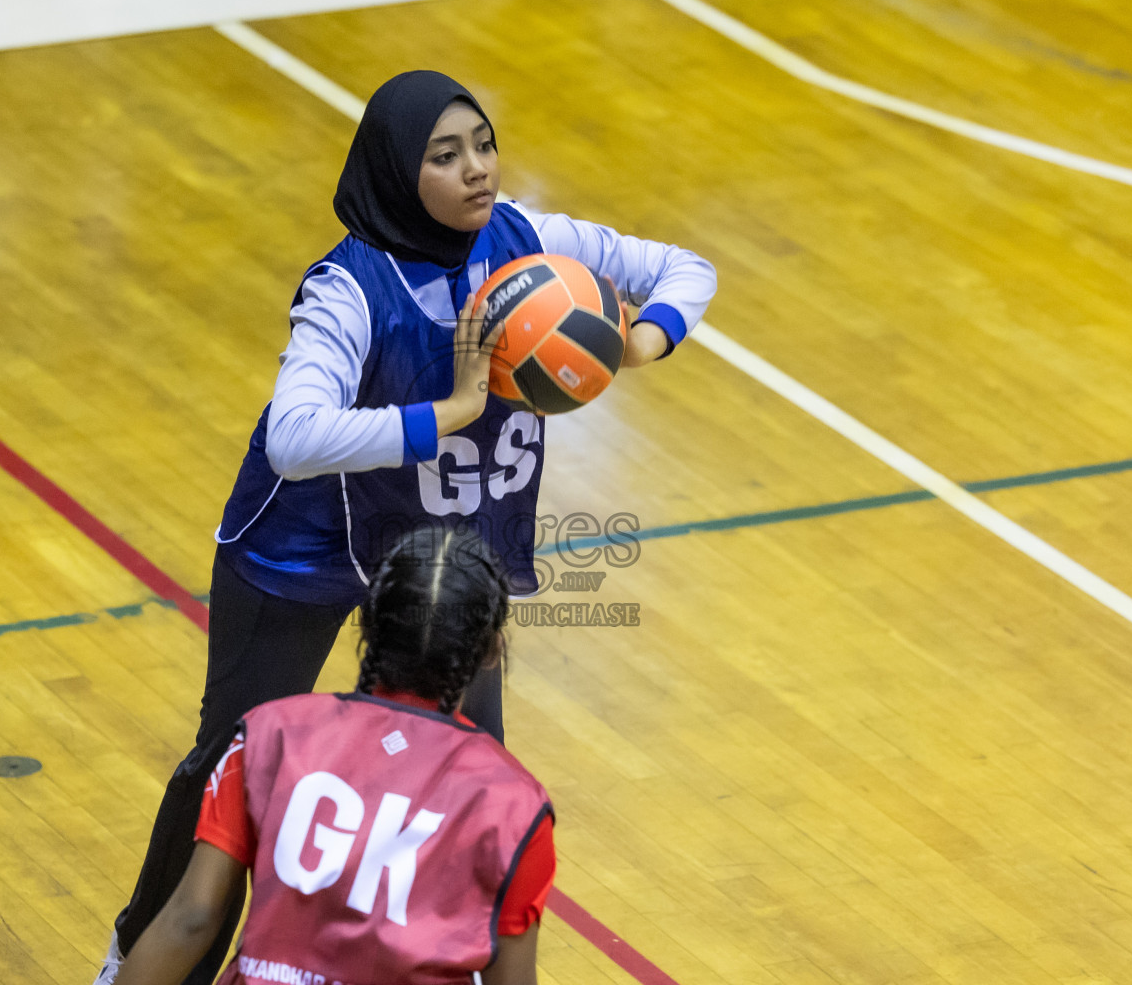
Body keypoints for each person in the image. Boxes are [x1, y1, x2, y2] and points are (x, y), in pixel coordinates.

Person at [97, 69, 715, 984]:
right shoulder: (347, 290)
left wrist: (634, 340)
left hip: (436, 556)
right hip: (303, 550)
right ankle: (139, 958)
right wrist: (456, 408)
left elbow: (683, 268)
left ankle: (445, 962)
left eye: (485, 144)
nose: (478, 170)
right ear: (395, 171)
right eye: (444, 154)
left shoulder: (530, 240)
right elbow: (297, 437)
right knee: (227, 767)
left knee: (474, 772)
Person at [114, 526, 554, 985]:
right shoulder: (515, 804)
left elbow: (191, 918)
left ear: (368, 627)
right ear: (491, 652)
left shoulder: (270, 734)